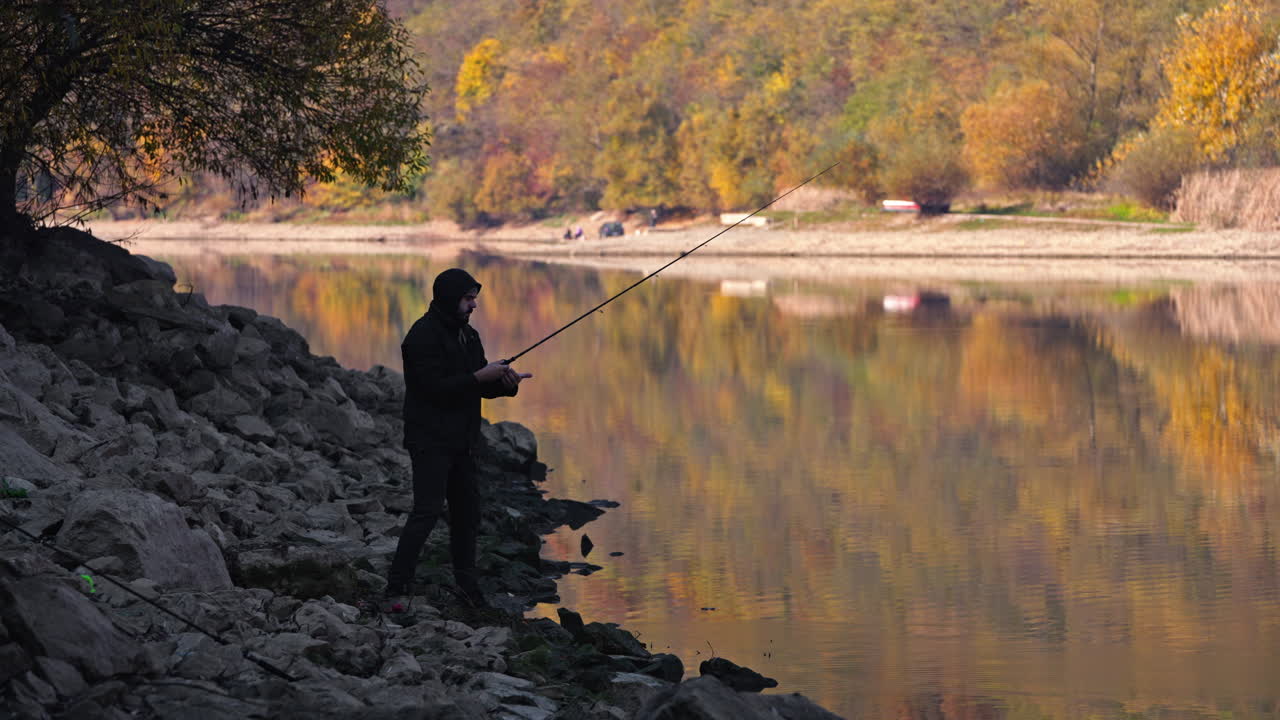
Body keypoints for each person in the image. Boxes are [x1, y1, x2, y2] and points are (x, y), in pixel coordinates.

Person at [385, 268, 532, 609]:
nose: (473, 306)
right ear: (451, 299)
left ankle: (469, 589)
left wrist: (506, 385)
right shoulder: (421, 337)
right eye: (468, 300)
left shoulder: (470, 336)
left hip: (463, 441)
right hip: (430, 440)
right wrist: (480, 376)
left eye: (474, 299)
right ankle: (396, 587)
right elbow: (433, 389)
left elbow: (478, 384)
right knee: (427, 511)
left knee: (468, 514)